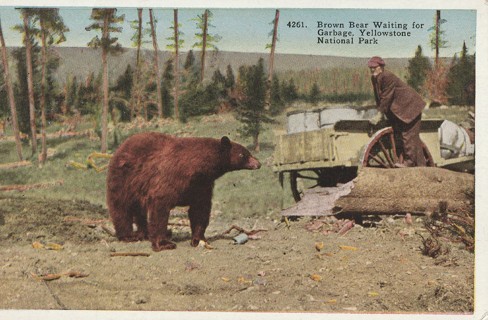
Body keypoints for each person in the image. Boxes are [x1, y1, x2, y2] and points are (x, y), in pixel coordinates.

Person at [368, 56, 426, 167]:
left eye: (374, 67)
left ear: (381, 67)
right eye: (370, 67)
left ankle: (409, 162)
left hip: (409, 107)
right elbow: (378, 97)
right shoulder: (375, 78)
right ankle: (422, 168)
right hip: (400, 110)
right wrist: (379, 110)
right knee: (412, 139)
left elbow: (387, 96)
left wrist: (380, 114)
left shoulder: (387, 76)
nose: (372, 69)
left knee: (408, 135)